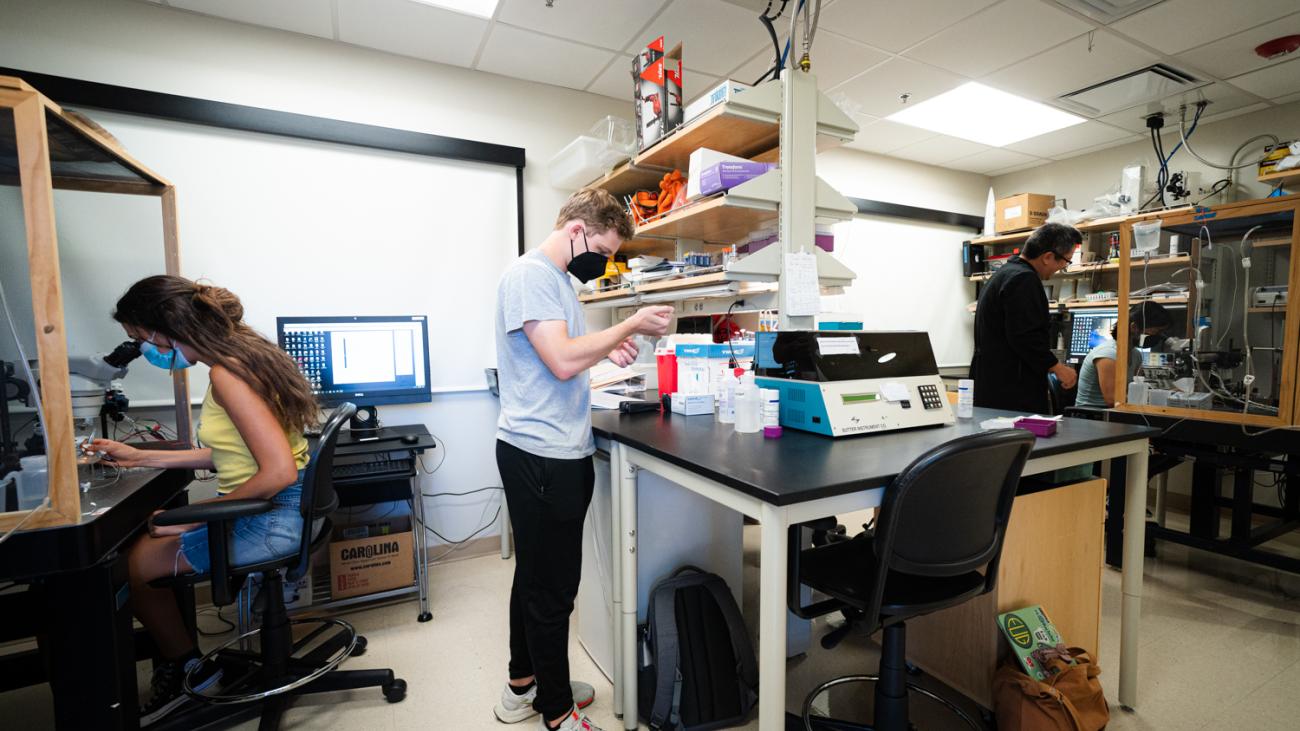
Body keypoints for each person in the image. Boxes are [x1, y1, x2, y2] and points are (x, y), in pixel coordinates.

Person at [88, 275, 317, 726]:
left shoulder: (227, 374)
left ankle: (192, 669)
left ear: (165, 328)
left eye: (140, 339)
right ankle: (190, 663)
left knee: (123, 571)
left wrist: (191, 520)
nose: (145, 350)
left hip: (269, 520)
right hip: (284, 508)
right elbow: (235, 451)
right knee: (143, 548)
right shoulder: (242, 358)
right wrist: (140, 455)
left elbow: (277, 472)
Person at [494, 189, 673, 731]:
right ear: (576, 230)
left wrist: (606, 348)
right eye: (602, 248)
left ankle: (522, 687)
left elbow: (565, 355)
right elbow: (562, 358)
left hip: (545, 447)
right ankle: (556, 712)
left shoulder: (556, 283)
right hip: (543, 455)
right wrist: (629, 326)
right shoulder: (532, 276)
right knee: (552, 591)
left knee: (535, 577)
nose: (604, 262)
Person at [971, 222, 1081, 413]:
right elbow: (1025, 336)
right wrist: (1057, 367)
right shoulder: (1024, 279)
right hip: (1012, 391)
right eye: (1066, 261)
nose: (1063, 267)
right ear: (1047, 257)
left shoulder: (1004, 274)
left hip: (992, 385)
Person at [1076, 302, 1173, 408]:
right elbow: (1112, 400)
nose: (1158, 336)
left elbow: (1138, 387)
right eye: (1156, 331)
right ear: (1134, 327)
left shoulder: (1136, 355)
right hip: (1094, 416)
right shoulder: (1108, 355)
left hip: (1116, 413)